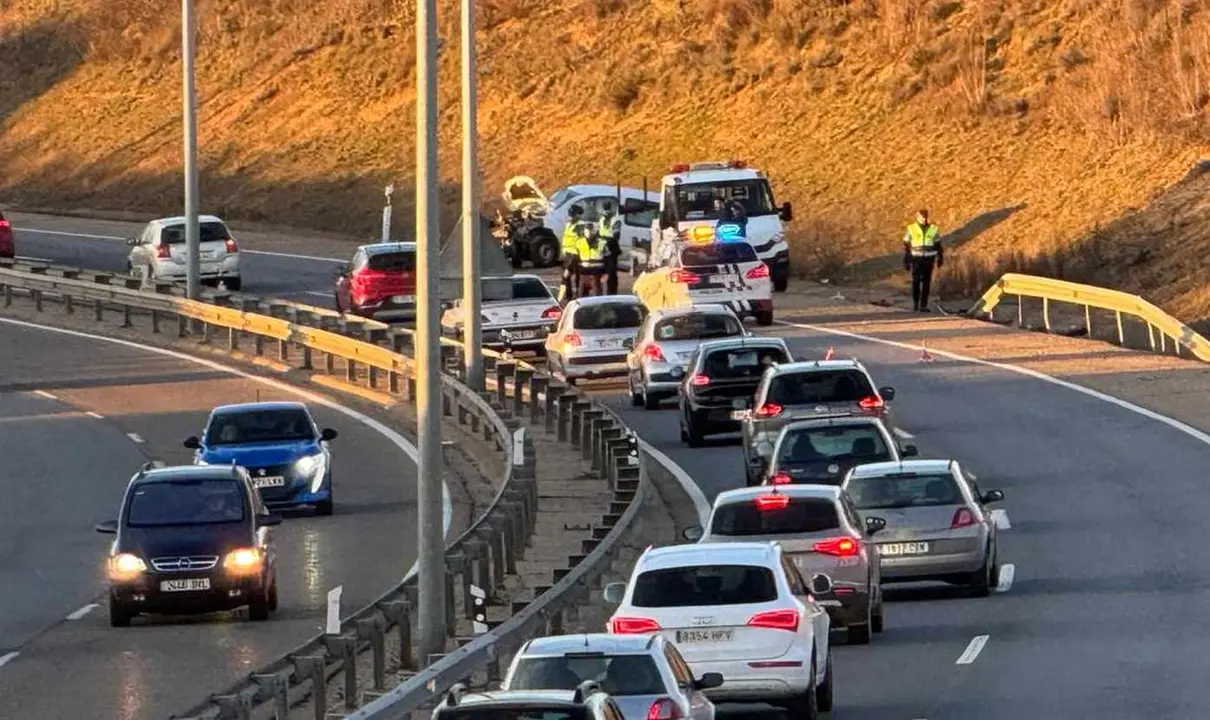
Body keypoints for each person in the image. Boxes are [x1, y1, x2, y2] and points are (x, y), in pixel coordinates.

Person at [902, 209, 943, 312]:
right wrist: (907, 258)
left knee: (926, 282)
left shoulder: (934, 229)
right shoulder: (911, 228)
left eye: (925, 217)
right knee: (916, 281)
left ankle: (923, 305)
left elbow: (938, 245)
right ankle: (915, 303)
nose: (923, 219)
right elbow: (906, 244)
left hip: (929, 259)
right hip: (916, 258)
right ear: (917, 217)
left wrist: (940, 257)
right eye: (921, 217)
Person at [559, 205, 587, 302]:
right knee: (574, 276)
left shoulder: (579, 225)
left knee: (566, 275)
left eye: (573, 215)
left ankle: (567, 296)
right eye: (570, 215)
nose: (570, 217)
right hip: (568, 254)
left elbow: (582, 240)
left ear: (578, 215)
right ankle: (571, 295)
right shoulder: (568, 224)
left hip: (575, 254)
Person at [598, 202, 622, 294]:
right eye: (605, 209)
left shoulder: (614, 220)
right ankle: (605, 292)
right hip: (604, 247)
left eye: (607, 209)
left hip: (611, 247)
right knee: (605, 271)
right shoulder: (603, 219)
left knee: (611, 272)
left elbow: (616, 235)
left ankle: (611, 292)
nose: (606, 211)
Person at [575, 225, 606, 297]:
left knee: (597, 295)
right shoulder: (579, 242)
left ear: (595, 232)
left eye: (591, 231)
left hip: (596, 272)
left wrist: (606, 273)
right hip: (584, 271)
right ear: (584, 232)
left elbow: (607, 259)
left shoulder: (601, 243)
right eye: (587, 231)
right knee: (582, 295)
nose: (589, 233)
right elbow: (575, 258)